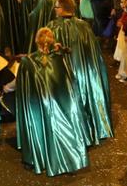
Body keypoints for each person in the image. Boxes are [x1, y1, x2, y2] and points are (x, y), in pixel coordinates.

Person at [14, 27, 89, 176]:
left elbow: (22, 87)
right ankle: (68, 158)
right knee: (60, 128)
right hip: (58, 103)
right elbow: (69, 82)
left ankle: (41, 158)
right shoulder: (59, 59)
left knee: (41, 127)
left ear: (36, 41)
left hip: (39, 104)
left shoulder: (28, 61)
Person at [47, 0, 113, 145]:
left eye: (56, 7)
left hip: (64, 74)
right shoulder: (84, 26)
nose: (55, 10)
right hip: (84, 72)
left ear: (62, 9)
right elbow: (93, 53)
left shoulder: (53, 27)